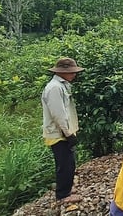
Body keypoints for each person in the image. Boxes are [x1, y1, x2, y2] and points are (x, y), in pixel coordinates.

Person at [41, 57, 85, 204]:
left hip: (63, 131)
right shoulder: (55, 88)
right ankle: (63, 195)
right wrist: (68, 133)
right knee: (64, 164)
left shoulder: (62, 85)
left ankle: (66, 188)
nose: (74, 75)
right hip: (58, 133)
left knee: (69, 162)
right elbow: (58, 114)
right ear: (62, 72)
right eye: (72, 72)